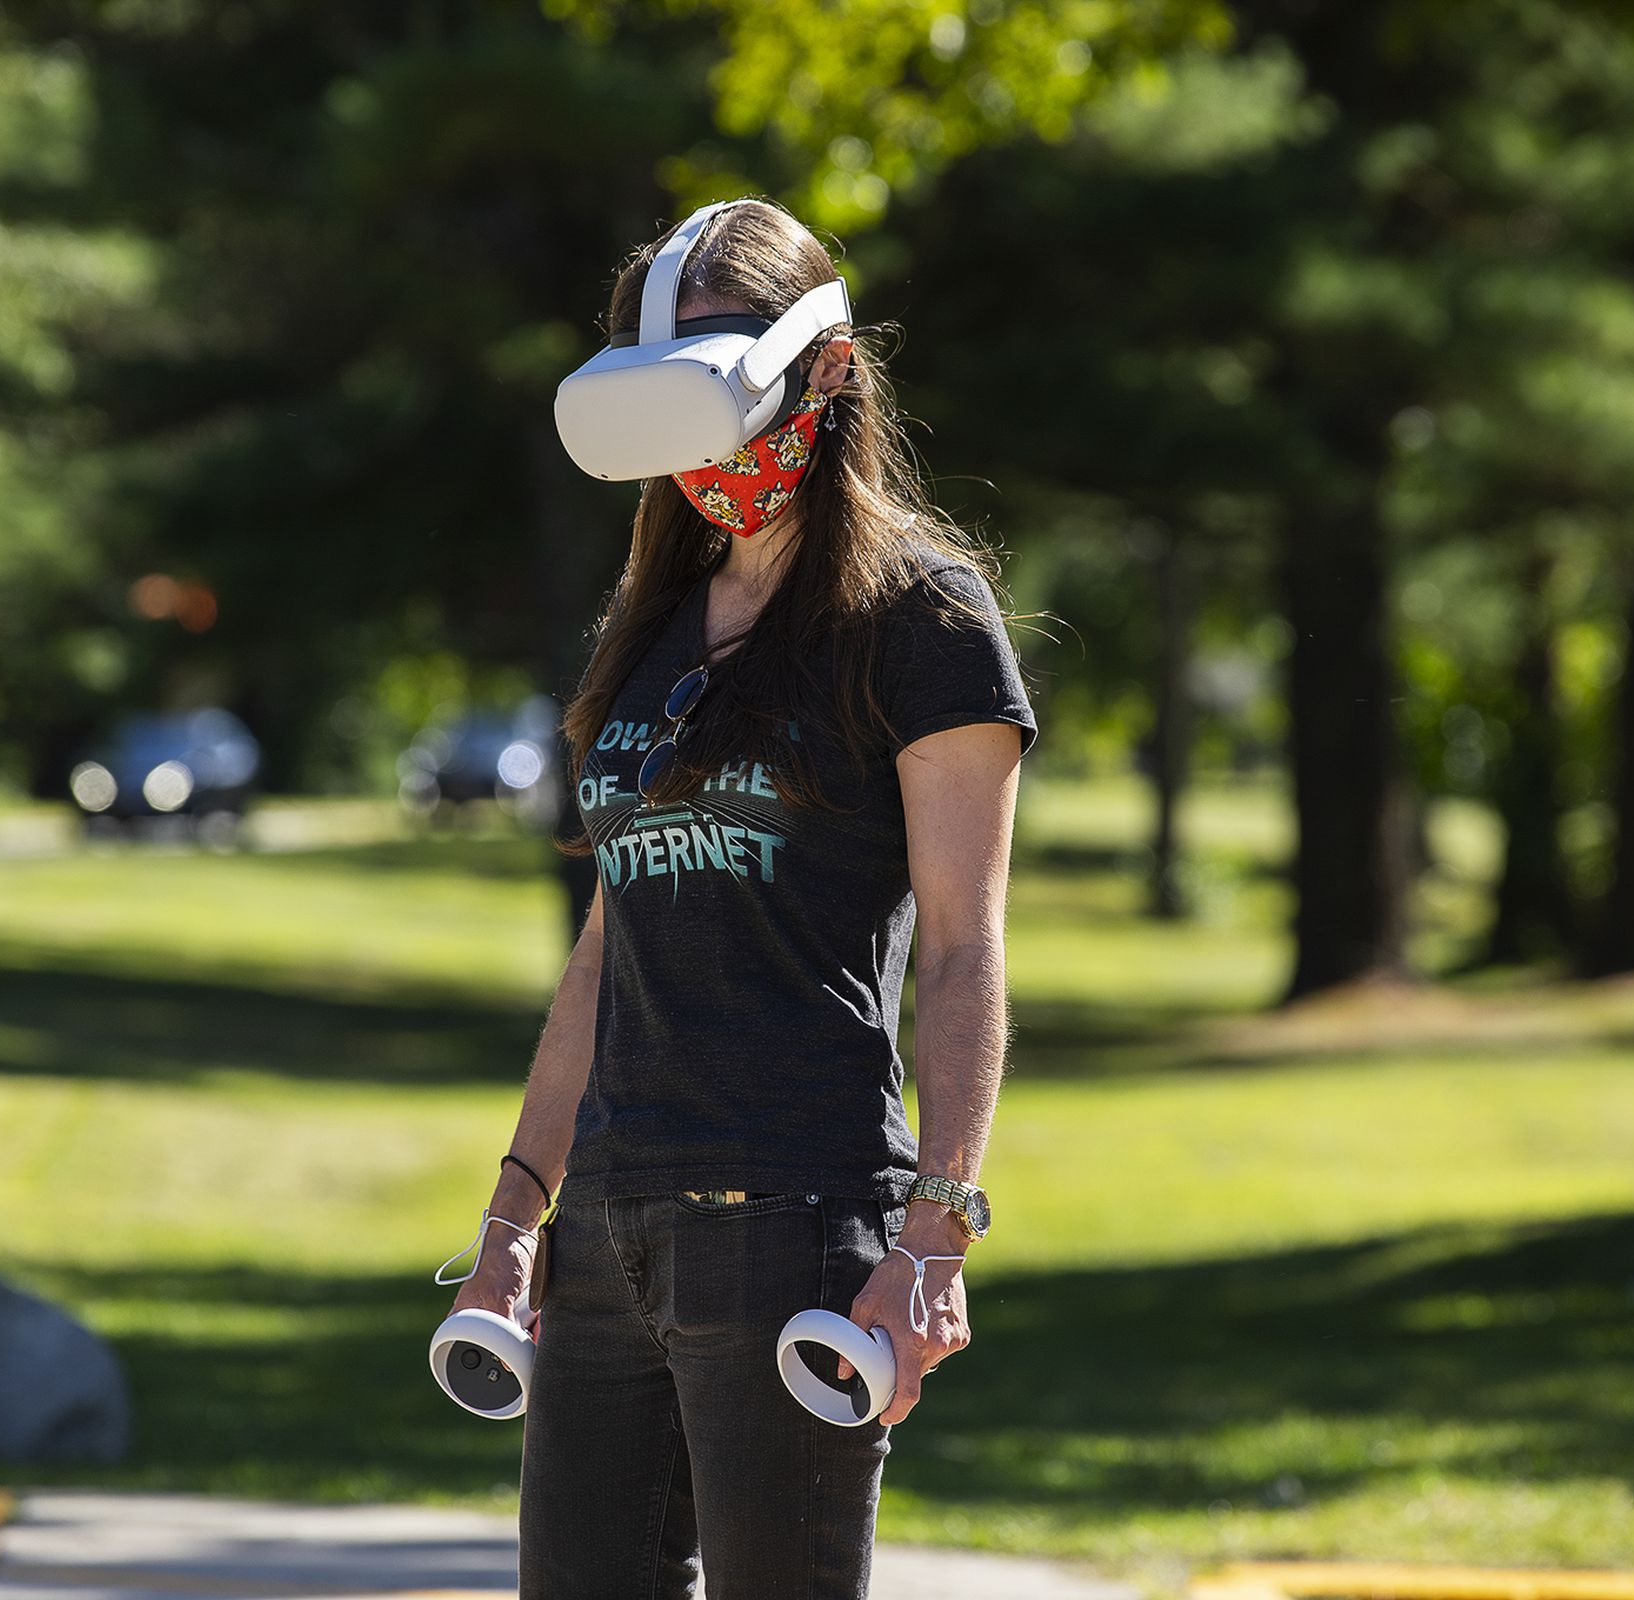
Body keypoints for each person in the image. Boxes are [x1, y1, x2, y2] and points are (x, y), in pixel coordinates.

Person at [442, 196, 1038, 1599]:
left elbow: (963, 950)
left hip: (794, 1222)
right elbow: (605, 954)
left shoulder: (925, 618)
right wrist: (513, 1228)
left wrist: (933, 1238)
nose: (706, 473)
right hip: (608, 1236)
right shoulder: (651, 626)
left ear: (829, 372)